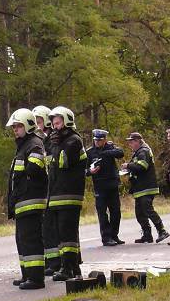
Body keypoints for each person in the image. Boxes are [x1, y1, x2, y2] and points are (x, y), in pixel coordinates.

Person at [6, 108, 48, 290]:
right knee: (22, 239)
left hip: (31, 200)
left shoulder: (34, 144)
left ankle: (36, 278)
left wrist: (25, 169)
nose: (15, 129)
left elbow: (36, 167)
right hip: (22, 201)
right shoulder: (23, 145)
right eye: (14, 126)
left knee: (30, 239)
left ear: (28, 126)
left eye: (18, 126)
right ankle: (27, 275)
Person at [47, 106, 87, 281]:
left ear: (67, 121)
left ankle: (70, 268)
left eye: (58, 122)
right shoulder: (59, 140)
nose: (55, 127)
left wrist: (55, 145)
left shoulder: (73, 140)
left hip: (69, 194)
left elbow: (63, 162)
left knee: (68, 233)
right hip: (57, 194)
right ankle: (68, 267)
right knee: (61, 235)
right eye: (54, 123)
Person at [123, 132, 169, 244]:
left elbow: (142, 166)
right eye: (129, 142)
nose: (130, 144)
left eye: (132, 141)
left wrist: (128, 166)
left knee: (148, 210)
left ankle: (162, 230)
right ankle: (147, 235)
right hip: (139, 188)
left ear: (138, 141)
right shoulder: (138, 152)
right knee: (139, 213)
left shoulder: (143, 151)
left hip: (146, 187)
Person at [32, 105, 60, 275]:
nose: (36, 125)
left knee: (51, 227)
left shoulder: (52, 140)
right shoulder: (38, 140)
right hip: (42, 189)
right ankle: (50, 261)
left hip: (53, 189)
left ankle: (55, 262)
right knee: (44, 228)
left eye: (39, 121)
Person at [85, 129, 125, 246]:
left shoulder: (110, 148)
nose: (97, 142)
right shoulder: (90, 152)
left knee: (116, 212)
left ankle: (114, 235)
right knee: (102, 213)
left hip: (112, 185)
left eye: (100, 140)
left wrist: (105, 152)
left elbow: (120, 153)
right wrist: (91, 171)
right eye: (96, 140)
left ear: (104, 140)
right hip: (99, 186)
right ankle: (106, 238)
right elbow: (84, 170)